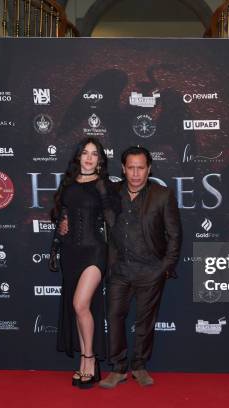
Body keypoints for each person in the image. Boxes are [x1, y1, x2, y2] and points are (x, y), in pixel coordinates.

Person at [99, 146, 182, 388]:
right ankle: (118, 368)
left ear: (149, 169)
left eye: (141, 168)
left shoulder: (162, 195)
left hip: (150, 270)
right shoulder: (111, 193)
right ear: (123, 169)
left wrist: (164, 267)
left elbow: (175, 236)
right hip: (120, 269)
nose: (136, 173)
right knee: (114, 318)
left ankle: (139, 366)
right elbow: (85, 204)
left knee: (146, 322)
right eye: (131, 168)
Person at [48, 137, 119, 389]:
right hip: (70, 252)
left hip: (94, 251)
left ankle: (89, 359)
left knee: (80, 304)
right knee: (79, 309)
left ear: (100, 160)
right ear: (78, 157)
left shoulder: (104, 185)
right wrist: (56, 245)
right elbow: (62, 218)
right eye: (85, 153)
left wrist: (103, 191)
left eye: (94, 154)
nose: (89, 158)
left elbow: (112, 219)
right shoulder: (68, 185)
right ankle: (84, 362)